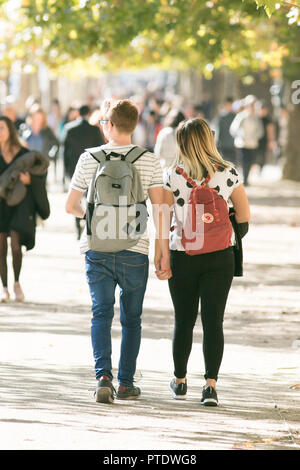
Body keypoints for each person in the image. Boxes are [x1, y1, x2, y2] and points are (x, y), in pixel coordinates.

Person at [65, 98, 169, 403]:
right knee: (131, 318)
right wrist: (163, 251)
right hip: (135, 248)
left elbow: (70, 206)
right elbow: (160, 208)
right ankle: (125, 382)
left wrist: (97, 216)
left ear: (108, 125)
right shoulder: (149, 159)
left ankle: (103, 378)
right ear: (135, 125)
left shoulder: (89, 159)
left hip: (96, 247)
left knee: (100, 313)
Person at [156, 118, 250, 406]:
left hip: (184, 254)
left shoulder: (171, 176)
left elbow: (162, 221)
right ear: (209, 140)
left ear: (182, 143)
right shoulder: (229, 173)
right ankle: (210, 386)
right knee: (213, 321)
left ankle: (180, 381)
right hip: (220, 257)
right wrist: (222, 235)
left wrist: (161, 255)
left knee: (183, 320)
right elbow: (245, 218)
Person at [0, 116, 50, 302]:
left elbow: (38, 172)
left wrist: (30, 181)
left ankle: (17, 283)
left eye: (2, 128)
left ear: (10, 131)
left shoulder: (22, 153)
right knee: (0, 248)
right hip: (1, 205)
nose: (0, 132)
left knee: (15, 245)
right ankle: (4, 287)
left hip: (19, 205)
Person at [63, 105, 105, 239]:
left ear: (77, 114)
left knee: (76, 196)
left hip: (73, 166)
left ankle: (77, 225)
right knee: (89, 196)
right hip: (92, 168)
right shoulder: (94, 129)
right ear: (89, 113)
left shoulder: (69, 129)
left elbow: (65, 151)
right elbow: (101, 148)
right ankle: (87, 221)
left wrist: (65, 170)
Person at [230, 95, 264, 186]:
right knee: (244, 161)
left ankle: (246, 178)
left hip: (253, 143)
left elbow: (260, 130)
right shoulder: (241, 116)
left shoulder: (256, 117)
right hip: (243, 143)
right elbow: (234, 129)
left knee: (251, 161)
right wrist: (242, 136)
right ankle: (242, 179)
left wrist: (255, 136)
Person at [256, 101, 276, 171]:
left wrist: (271, 141)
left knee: (263, 155)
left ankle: (260, 168)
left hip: (265, 139)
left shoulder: (268, 119)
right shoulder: (256, 117)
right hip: (256, 139)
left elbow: (270, 130)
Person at [217, 97, 237, 165]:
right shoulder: (221, 117)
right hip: (223, 143)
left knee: (233, 163)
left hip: (233, 144)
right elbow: (219, 130)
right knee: (224, 162)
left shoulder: (235, 116)